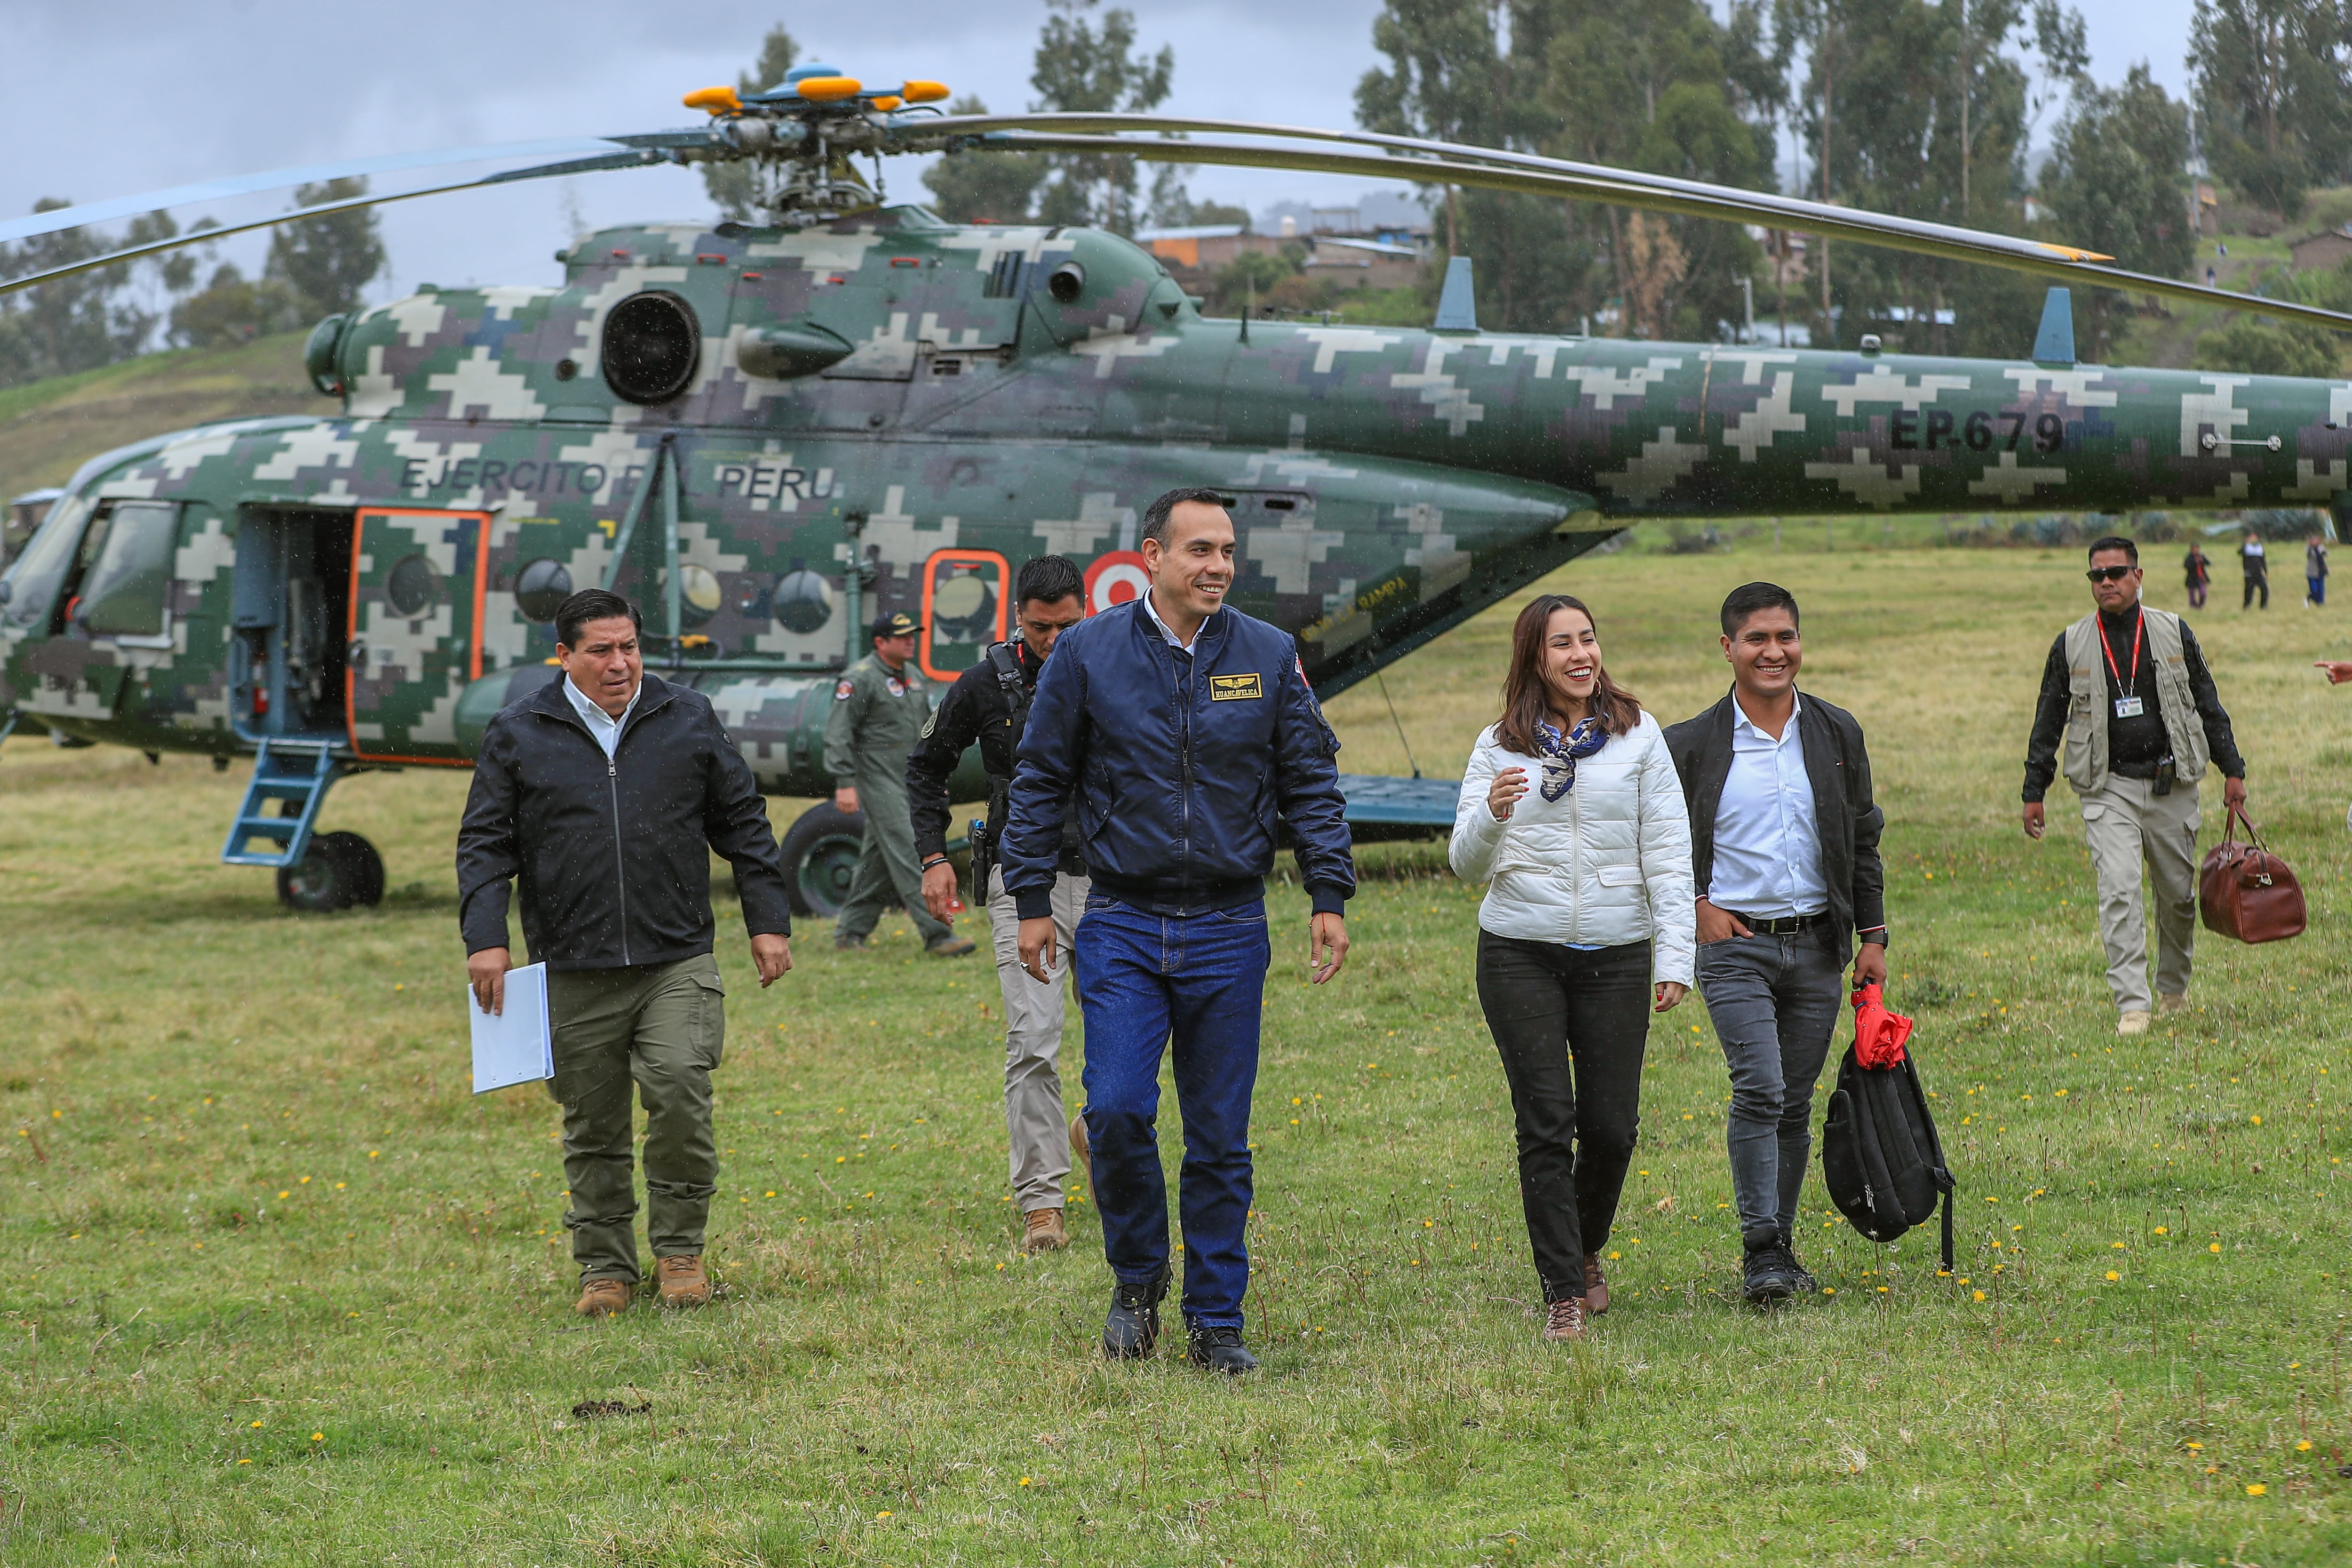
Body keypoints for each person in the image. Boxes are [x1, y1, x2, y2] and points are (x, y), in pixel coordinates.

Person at [1001, 487, 1355, 1375]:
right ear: (1151, 556)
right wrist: (1033, 896)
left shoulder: (1270, 655)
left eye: (1228, 551)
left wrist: (1328, 890)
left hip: (1232, 923)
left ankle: (1217, 1316)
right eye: (1200, 549)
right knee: (1117, 1107)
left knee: (1219, 1134)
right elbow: (1040, 776)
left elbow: (1310, 776)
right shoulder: (1085, 652)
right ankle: (1136, 1280)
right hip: (1121, 916)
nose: (1218, 566)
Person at [457, 588, 794, 1317]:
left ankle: (680, 1253)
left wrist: (768, 920)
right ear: (565, 656)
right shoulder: (520, 731)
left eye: (630, 646)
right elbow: (485, 843)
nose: (621, 663)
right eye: (602, 650)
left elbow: (742, 820)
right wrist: (487, 938)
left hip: (675, 957)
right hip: (573, 966)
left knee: (679, 1089)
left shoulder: (687, 717)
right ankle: (605, 1268)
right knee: (593, 1121)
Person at [1451, 594, 1694, 1343]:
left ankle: (1585, 1245)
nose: (1580, 654)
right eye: (1563, 644)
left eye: (1588, 638)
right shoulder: (1500, 744)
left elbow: (1669, 848)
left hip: (1617, 951)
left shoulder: (1638, 734)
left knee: (1614, 1127)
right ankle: (1563, 1288)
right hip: (1520, 950)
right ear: (1535, 657)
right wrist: (1491, 814)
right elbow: (1464, 866)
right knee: (1547, 1122)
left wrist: (1675, 951)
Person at [1664, 582, 1887, 1306]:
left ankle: (1779, 1250)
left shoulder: (1836, 732)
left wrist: (1873, 935)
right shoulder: (1691, 742)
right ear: (1727, 648)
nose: (1773, 651)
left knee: (1794, 1101)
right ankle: (1761, 1244)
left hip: (1820, 944)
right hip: (1736, 949)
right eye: (1756, 639)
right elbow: (1661, 845)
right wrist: (1695, 905)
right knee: (1759, 1085)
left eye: (1785, 637)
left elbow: (1863, 836)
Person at [907, 555, 1093, 1253]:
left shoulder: (1112, 664)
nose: (1053, 639)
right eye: (1040, 627)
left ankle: (1097, 1132)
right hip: (1023, 881)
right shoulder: (987, 683)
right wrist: (934, 856)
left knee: (1124, 1040)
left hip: (1111, 880)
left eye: (1066, 625)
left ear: (1086, 613)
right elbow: (925, 765)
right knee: (1034, 1042)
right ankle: (1043, 1202)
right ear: (1019, 617)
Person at [2023, 536, 2248, 1035]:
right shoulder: (2071, 643)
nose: (2105, 582)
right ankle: (2132, 1004)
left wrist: (2231, 769)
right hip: (2108, 787)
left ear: (2137, 577)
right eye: (2096, 576)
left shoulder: (2172, 631)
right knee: (2119, 890)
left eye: (2116, 573)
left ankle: (2171, 991)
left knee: (2177, 897)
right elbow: (2047, 719)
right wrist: (2032, 790)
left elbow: (2208, 704)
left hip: (2172, 784)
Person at [826, 610, 975, 957]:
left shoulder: (913, 676)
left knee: (877, 861)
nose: (911, 641)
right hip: (879, 781)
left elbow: (926, 730)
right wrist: (845, 781)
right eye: (902, 636)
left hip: (910, 781)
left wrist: (936, 780)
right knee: (912, 848)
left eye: (913, 635)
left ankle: (850, 933)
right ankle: (939, 935)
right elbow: (838, 733)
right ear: (880, 642)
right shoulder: (859, 678)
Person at [2242, 531, 2269, 610]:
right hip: (2249, 573)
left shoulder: (2259, 547)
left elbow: (2263, 560)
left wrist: (2266, 571)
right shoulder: (2246, 547)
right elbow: (2240, 553)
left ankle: (2263, 606)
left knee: (2265, 589)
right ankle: (2246, 606)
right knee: (2249, 591)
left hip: (2258, 573)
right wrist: (2245, 543)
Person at [2184, 542, 2210, 610]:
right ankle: (2193, 606)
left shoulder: (2200, 556)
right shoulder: (2189, 558)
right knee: (2192, 594)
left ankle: (2200, 605)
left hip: (2201, 577)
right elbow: (2186, 566)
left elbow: (2208, 563)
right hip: (2192, 578)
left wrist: (2202, 561)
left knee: (2203, 593)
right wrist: (2194, 562)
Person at [2308, 533, 2329, 607]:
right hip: (2312, 572)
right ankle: (2309, 598)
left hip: (2321, 571)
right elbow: (2308, 554)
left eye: (2316, 540)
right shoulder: (2309, 549)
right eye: (2313, 541)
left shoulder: (2321, 547)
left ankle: (2321, 603)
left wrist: (2323, 552)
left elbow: (2326, 553)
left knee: (2321, 588)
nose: (2315, 542)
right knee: (2314, 590)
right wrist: (2311, 546)